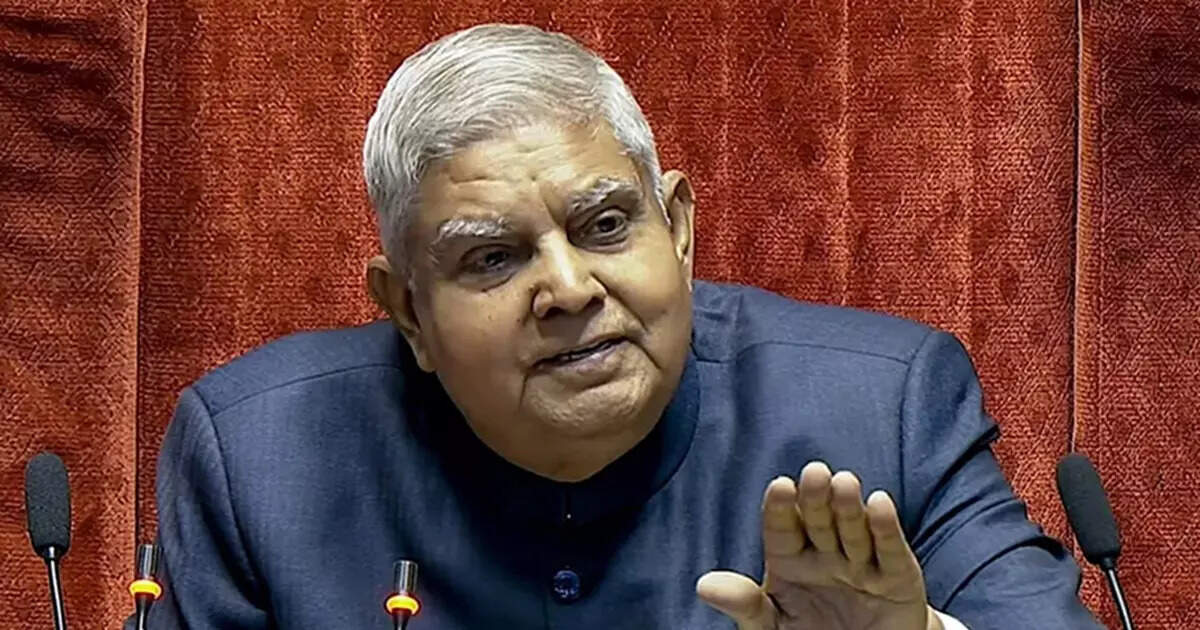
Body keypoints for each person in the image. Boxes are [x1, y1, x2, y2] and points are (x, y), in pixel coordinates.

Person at [132, 24, 1103, 630]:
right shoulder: (258, 456)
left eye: (604, 225)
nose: (567, 288)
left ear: (676, 229)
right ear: (410, 313)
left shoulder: (882, 405)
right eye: (492, 258)